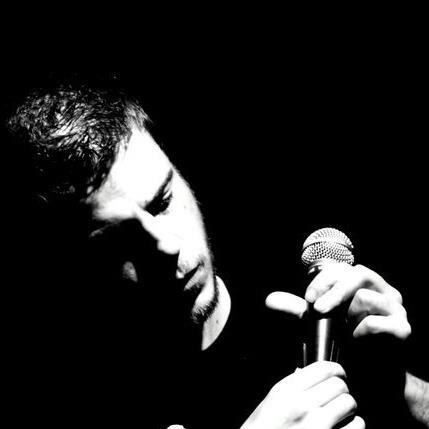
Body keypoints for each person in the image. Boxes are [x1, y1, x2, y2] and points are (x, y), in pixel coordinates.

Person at [3, 80, 428, 428]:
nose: (167, 246)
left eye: (163, 200)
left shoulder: (309, 301)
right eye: (116, 240)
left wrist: (398, 388)